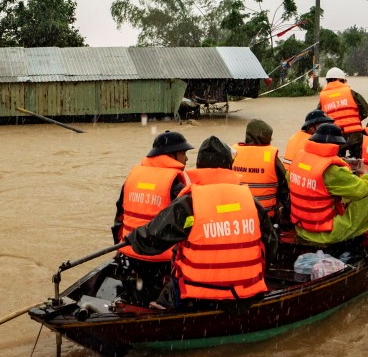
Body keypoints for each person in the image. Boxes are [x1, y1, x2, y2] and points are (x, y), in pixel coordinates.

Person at [125, 136, 278, 309]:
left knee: (173, 271)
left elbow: (154, 238)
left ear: (200, 166)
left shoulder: (189, 203)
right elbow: (271, 243)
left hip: (199, 299)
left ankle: (161, 306)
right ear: (229, 165)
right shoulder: (251, 202)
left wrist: (132, 238)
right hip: (245, 295)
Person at [112, 130, 193, 305]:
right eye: (183, 153)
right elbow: (189, 222)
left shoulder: (133, 177)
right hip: (161, 260)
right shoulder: (174, 184)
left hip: (131, 253)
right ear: (171, 155)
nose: (186, 159)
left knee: (138, 292)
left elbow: (119, 216)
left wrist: (119, 246)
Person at [288, 123, 368, 245]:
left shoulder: (299, 159)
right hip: (324, 234)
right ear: (335, 145)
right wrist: (366, 174)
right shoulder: (332, 170)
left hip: (302, 228)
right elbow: (361, 190)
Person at [231, 119, 289, 223]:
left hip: (239, 216)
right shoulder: (271, 156)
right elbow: (284, 184)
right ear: (264, 138)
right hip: (266, 217)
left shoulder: (233, 153)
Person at [318, 67, 368, 157]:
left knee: (338, 160)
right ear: (340, 80)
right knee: (358, 159)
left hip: (335, 135)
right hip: (355, 133)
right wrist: (354, 120)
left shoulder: (323, 97)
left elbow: (318, 119)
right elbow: (366, 110)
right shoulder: (351, 93)